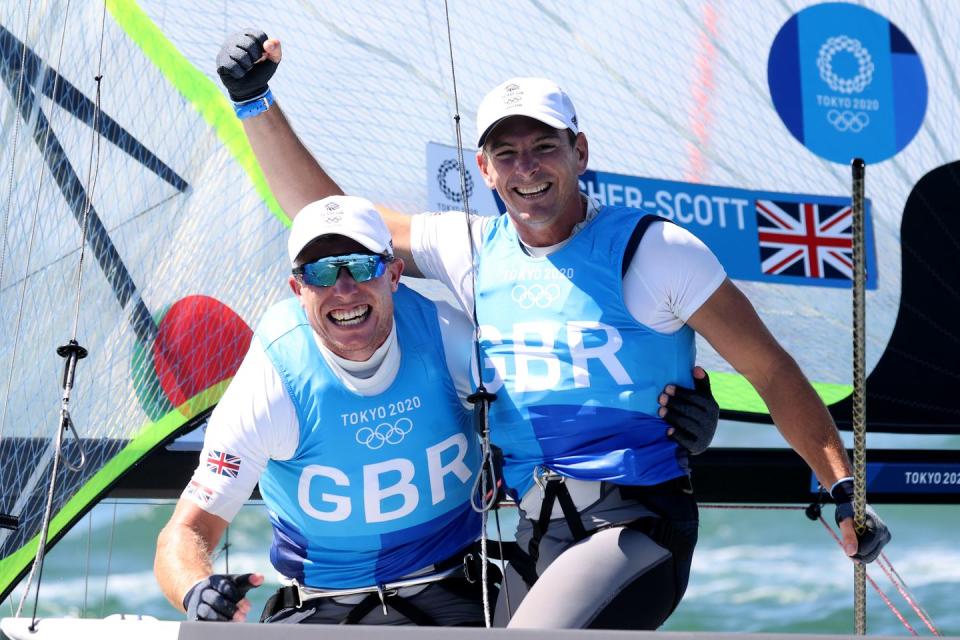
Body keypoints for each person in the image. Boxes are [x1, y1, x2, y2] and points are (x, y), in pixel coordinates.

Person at [214, 30, 889, 630]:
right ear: (482, 170)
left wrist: (843, 490)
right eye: (505, 154)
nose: (526, 168)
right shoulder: (471, 250)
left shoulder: (655, 252)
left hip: (634, 529)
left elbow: (770, 369)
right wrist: (254, 101)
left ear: (580, 150)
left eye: (544, 146)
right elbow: (329, 218)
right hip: (535, 538)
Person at [155, 196, 490, 626]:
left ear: (394, 274)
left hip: (454, 589)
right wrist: (197, 589)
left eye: (361, 265)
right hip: (324, 607)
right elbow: (183, 534)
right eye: (321, 273)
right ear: (298, 290)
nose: (344, 290)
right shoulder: (274, 376)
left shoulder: (447, 337)